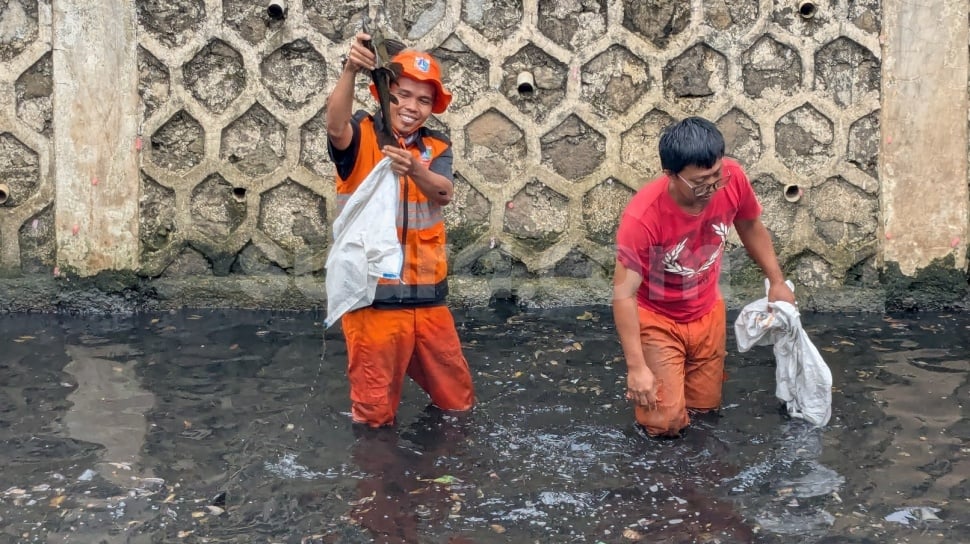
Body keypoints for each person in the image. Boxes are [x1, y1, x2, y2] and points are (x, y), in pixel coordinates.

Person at [612, 116, 796, 438]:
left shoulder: (732, 179)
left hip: (708, 310)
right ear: (670, 174)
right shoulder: (643, 217)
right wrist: (636, 368)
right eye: (699, 182)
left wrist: (777, 282)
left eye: (716, 176)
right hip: (658, 317)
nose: (711, 188)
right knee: (664, 424)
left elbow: (750, 225)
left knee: (706, 412)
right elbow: (624, 294)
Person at [325, 34, 474, 427]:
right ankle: (379, 466)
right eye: (403, 95)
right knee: (374, 415)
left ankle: (440, 466)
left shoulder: (437, 146)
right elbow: (335, 126)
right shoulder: (361, 132)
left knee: (458, 403)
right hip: (372, 303)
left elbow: (443, 192)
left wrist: (414, 169)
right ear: (383, 93)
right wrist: (350, 69)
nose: (412, 107)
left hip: (429, 300)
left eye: (423, 100)